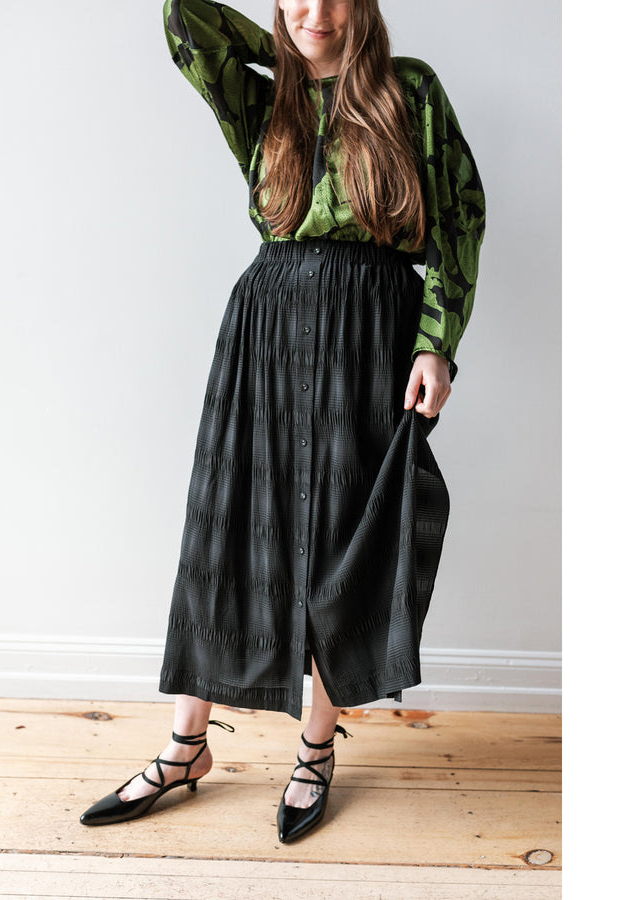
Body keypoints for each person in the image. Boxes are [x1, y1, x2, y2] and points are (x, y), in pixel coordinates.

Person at [81, 0, 485, 843]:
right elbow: (184, 21)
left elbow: (460, 219)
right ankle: (187, 745)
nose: (317, 10)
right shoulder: (265, 97)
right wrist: (286, 54)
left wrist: (437, 345)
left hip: (372, 331)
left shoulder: (411, 91)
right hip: (265, 326)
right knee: (225, 527)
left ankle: (315, 747)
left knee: (341, 540)